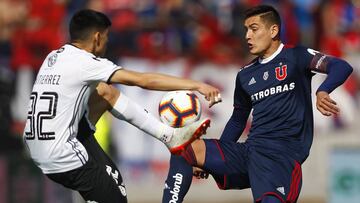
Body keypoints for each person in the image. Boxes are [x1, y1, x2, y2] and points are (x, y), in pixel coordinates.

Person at [22, 9, 221, 203]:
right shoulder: (86, 63)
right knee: (116, 196)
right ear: (97, 37)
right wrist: (196, 84)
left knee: (105, 92)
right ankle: (170, 137)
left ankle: (168, 136)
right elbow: (144, 80)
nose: (107, 42)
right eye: (107, 36)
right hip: (62, 154)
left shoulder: (53, 57)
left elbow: (102, 92)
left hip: (40, 148)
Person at [162, 5, 353, 203]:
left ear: (273, 30)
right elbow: (237, 121)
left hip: (280, 158)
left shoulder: (297, 56)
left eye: (254, 29)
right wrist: (213, 159)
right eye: (246, 29)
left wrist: (323, 90)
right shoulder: (245, 74)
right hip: (249, 152)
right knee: (184, 150)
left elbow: (341, 66)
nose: (247, 36)